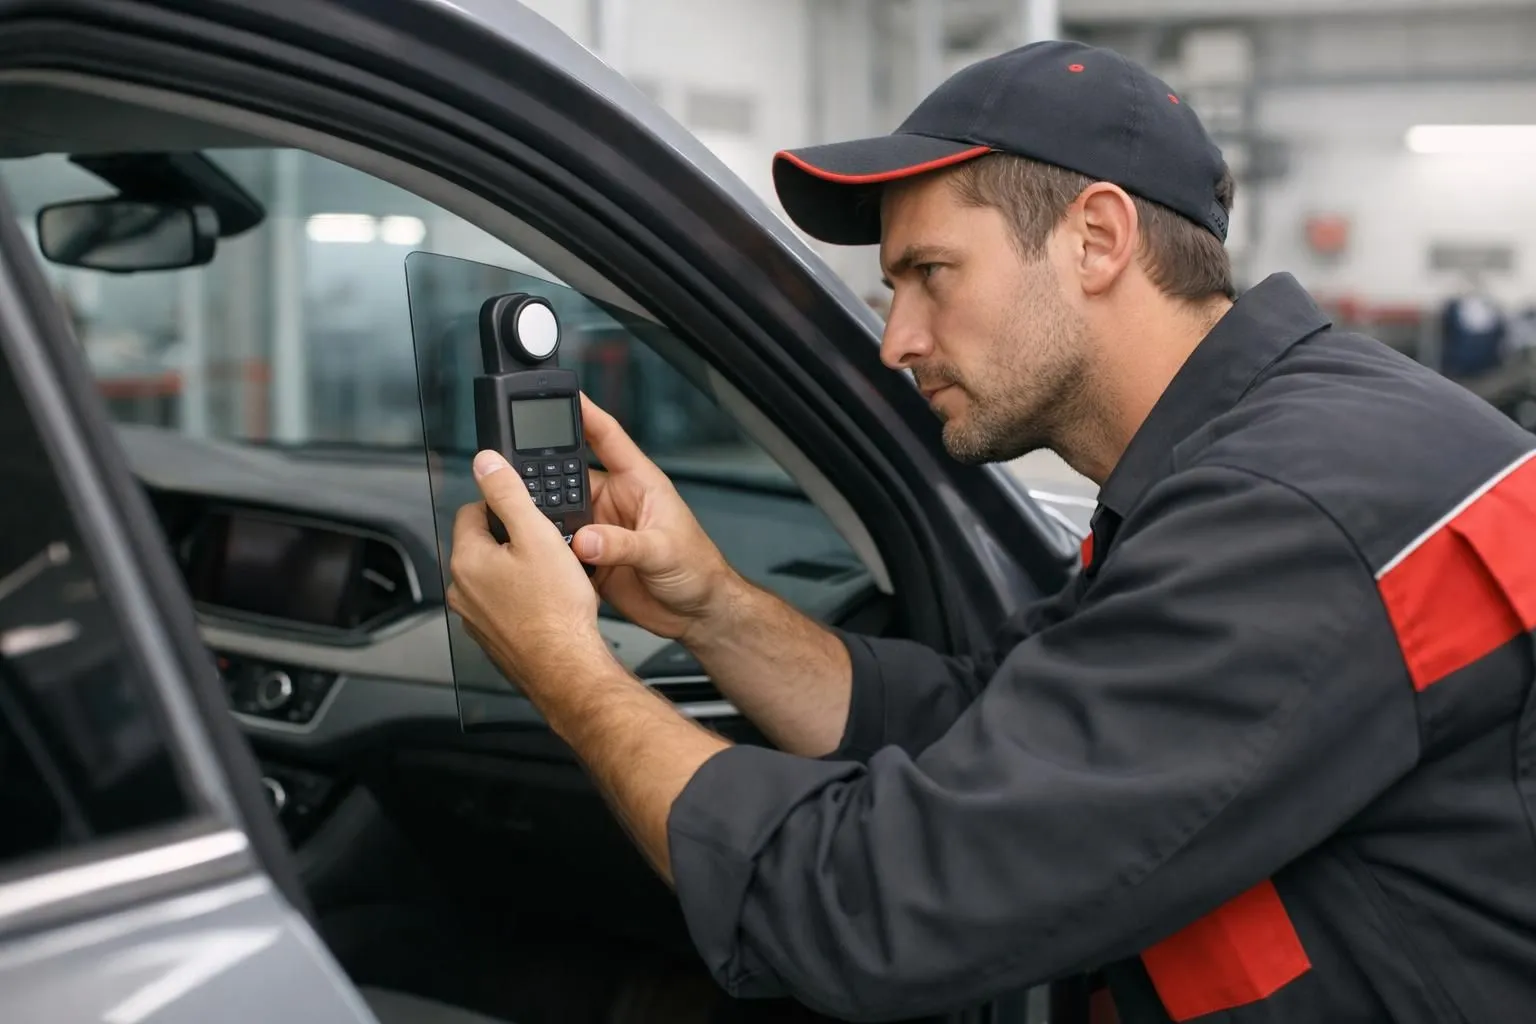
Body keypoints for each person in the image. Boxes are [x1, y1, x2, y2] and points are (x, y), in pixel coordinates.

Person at [447, 40, 1536, 1024]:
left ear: (1097, 238)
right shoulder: (1250, 456)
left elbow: (874, 909)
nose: (896, 342)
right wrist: (713, 608)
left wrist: (564, 668)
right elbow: (984, 724)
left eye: (930, 274)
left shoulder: (1290, 515)